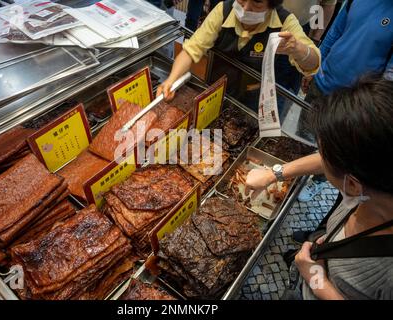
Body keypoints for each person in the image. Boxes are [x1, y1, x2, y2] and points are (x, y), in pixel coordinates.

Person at [245, 75, 393, 299]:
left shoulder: (386, 273)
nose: (319, 160)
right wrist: (273, 173)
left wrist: (316, 279)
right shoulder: (374, 181)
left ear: (352, 184)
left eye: (323, 156)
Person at [297, 0, 393, 202]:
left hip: (352, 104)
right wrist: (314, 68)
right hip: (323, 82)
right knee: (302, 137)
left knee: (335, 154)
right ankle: (293, 172)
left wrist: (366, 109)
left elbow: (389, 78)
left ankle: (317, 180)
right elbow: (334, 33)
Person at [157, 0, 321, 116]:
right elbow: (191, 50)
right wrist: (171, 80)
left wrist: (299, 49)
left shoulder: (285, 21)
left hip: (252, 100)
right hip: (215, 89)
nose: (246, 7)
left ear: (272, 5)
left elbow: (313, 63)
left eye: (257, 2)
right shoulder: (223, 10)